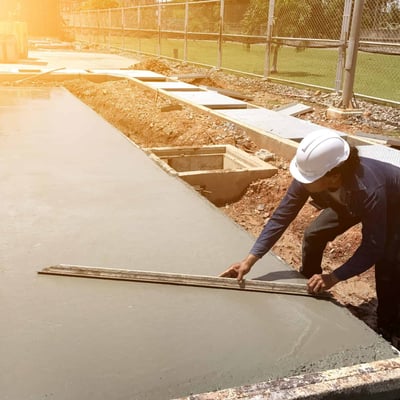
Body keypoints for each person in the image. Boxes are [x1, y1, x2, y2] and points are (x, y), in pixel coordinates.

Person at [220, 129, 400, 347]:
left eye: (307, 179)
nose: (300, 181)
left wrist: (334, 277)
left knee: (388, 263)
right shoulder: (314, 175)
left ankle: (388, 326)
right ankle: (308, 282)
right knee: (314, 234)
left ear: (334, 176)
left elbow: (373, 247)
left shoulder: (369, 189)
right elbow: (282, 215)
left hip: (393, 207)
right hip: (350, 203)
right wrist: (249, 261)